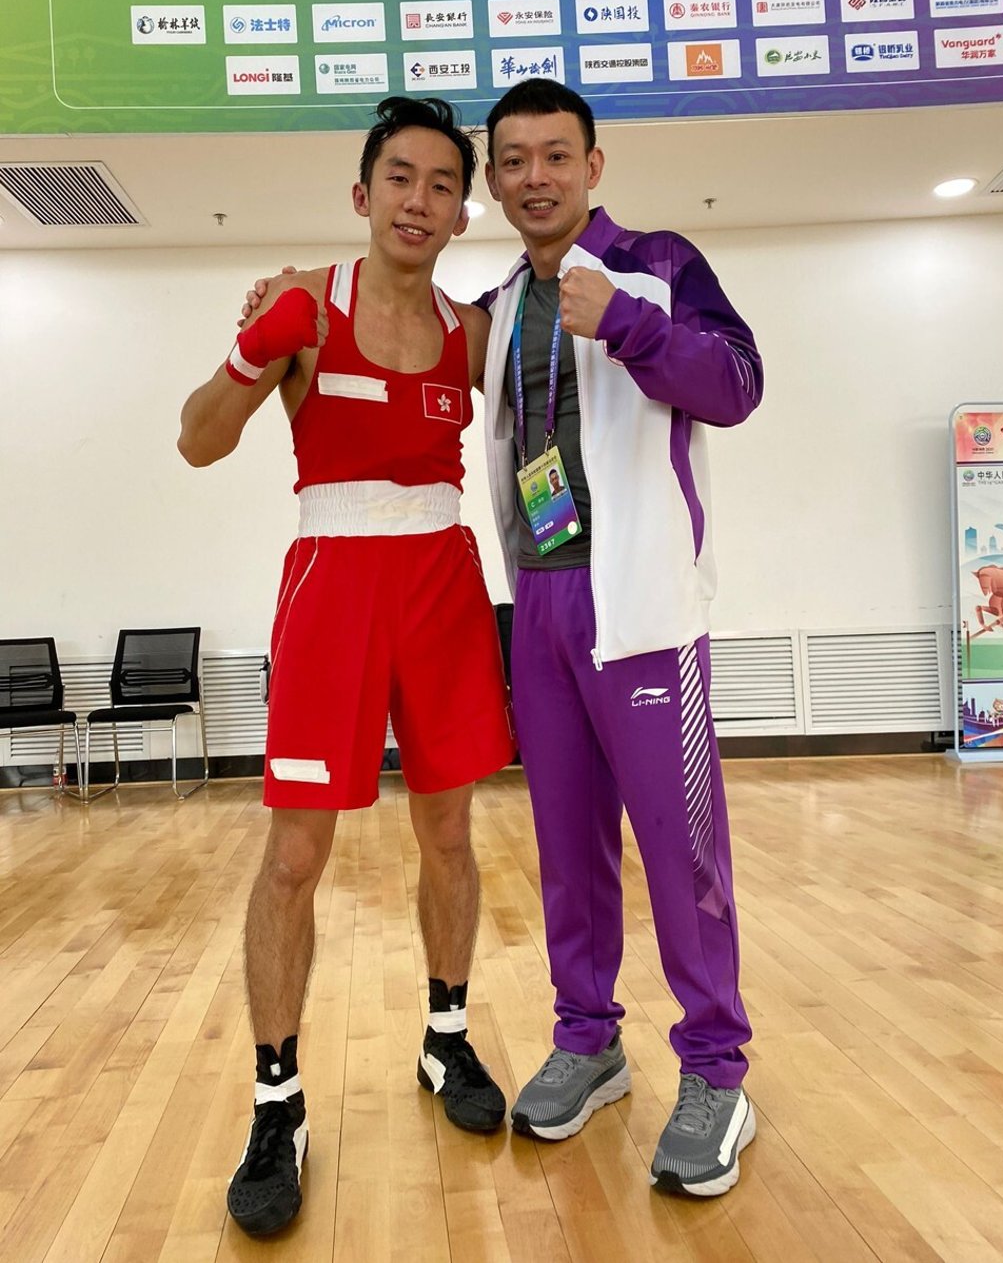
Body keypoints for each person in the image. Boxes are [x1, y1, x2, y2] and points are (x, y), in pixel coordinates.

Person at [177, 97, 515, 1238]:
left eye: (439, 185)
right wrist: (246, 351)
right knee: (293, 856)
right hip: (332, 589)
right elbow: (196, 436)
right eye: (399, 179)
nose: (419, 201)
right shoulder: (302, 309)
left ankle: (445, 1035)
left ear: (458, 209)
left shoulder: (475, 332)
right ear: (361, 195)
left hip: (442, 586)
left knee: (452, 833)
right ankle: (277, 1104)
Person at [478, 79, 763, 1197]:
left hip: (644, 611)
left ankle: (715, 1072)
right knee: (567, 848)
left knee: (683, 856)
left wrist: (634, 324)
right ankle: (587, 1037)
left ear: (594, 165)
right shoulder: (499, 303)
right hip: (541, 604)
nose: (535, 176)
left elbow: (737, 386)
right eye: (514, 160)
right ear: (494, 179)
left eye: (557, 154)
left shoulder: (658, 264)